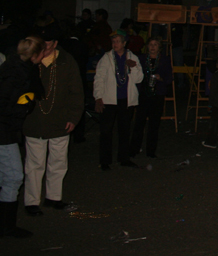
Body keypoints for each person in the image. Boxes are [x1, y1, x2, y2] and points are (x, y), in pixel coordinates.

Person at [23, 25, 83, 217]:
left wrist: (74, 117)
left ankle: (53, 197)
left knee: (57, 162)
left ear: (55, 43)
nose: (44, 49)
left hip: (60, 121)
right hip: (35, 121)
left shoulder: (66, 61)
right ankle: (31, 201)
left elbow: (76, 92)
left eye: (47, 45)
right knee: (34, 164)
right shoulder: (30, 60)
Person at [0, 36, 44, 237]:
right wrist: (24, 106)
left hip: (7, 130)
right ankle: (7, 227)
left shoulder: (18, 66)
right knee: (14, 177)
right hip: (4, 132)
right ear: (35, 55)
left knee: (6, 176)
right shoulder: (16, 73)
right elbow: (5, 105)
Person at [94, 30, 143, 170]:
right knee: (106, 131)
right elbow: (99, 79)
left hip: (126, 100)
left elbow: (139, 79)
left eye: (117, 41)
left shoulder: (132, 57)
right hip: (109, 99)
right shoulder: (107, 58)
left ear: (124, 43)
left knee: (125, 130)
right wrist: (98, 97)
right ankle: (105, 161)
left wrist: (132, 67)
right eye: (113, 41)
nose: (114, 44)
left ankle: (124, 158)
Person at [130, 38, 173, 159]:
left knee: (154, 124)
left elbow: (169, 77)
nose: (153, 47)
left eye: (155, 45)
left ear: (159, 47)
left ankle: (151, 150)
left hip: (157, 95)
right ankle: (134, 148)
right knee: (139, 122)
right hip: (144, 94)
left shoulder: (164, 60)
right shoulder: (141, 59)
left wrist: (161, 78)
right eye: (151, 45)